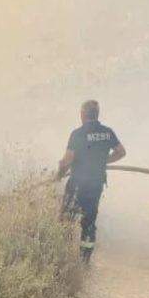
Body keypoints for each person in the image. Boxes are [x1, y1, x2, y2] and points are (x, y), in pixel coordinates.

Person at [57, 100, 127, 264]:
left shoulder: (78, 134)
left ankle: (64, 256)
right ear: (97, 115)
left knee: (66, 219)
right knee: (89, 222)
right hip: (95, 186)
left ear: (83, 115)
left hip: (77, 184)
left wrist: (59, 174)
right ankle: (85, 260)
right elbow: (121, 152)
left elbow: (66, 161)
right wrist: (102, 161)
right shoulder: (107, 132)